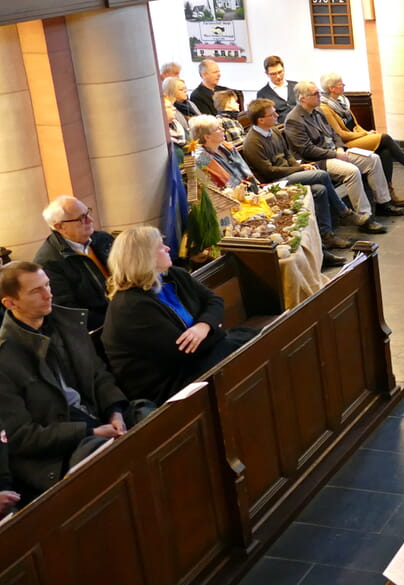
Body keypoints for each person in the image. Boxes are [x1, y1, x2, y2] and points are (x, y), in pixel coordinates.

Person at [0, 261, 136, 500]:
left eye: (48, 285)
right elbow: (22, 436)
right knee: (106, 456)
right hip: (58, 455)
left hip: (98, 419)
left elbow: (98, 375)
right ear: (10, 303)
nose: (48, 294)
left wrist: (115, 411)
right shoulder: (6, 357)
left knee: (150, 415)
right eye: (36, 291)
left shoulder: (66, 323)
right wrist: (89, 431)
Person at [102, 227, 240, 404]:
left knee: (249, 342)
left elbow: (214, 300)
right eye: (160, 246)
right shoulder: (130, 306)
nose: (168, 248)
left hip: (197, 358)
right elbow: (183, 350)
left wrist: (204, 326)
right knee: (242, 347)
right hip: (168, 384)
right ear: (144, 258)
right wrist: (215, 327)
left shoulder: (174, 275)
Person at [241, 98, 378, 240]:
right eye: (272, 115)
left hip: (288, 173)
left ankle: (327, 234)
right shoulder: (252, 142)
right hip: (276, 182)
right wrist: (298, 169)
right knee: (321, 175)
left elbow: (288, 154)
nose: (276, 116)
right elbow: (269, 171)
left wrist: (298, 166)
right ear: (261, 120)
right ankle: (345, 213)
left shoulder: (273, 131)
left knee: (320, 189)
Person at [285, 80, 404, 219]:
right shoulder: (294, 120)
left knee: (373, 159)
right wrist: (334, 154)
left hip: (334, 152)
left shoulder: (318, 111)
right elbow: (307, 150)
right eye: (315, 93)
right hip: (318, 160)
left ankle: (383, 204)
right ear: (303, 98)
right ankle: (364, 215)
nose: (320, 95)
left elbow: (334, 134)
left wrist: (339, 148)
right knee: (352, 171)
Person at [318, 71, 404, 199]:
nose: (344, 85)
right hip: (346, 144)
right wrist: (364, 134)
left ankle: (389, 191)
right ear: (332, 88)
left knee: (385, 152)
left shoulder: (341, 102)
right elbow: (341, 135)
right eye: (341, 84)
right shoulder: (325, 108)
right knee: (385, 137)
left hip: (356, 137)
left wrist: (366, 133)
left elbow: (355, 125)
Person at [33, 196, 114, 331]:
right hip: (101, 328)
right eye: (81, 218)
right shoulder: (49, 263)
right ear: (60, 227)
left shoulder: (103, 239)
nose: (90, 220)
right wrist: (114, 322)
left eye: (88, 213)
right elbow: (70, 313)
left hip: (125, 310)